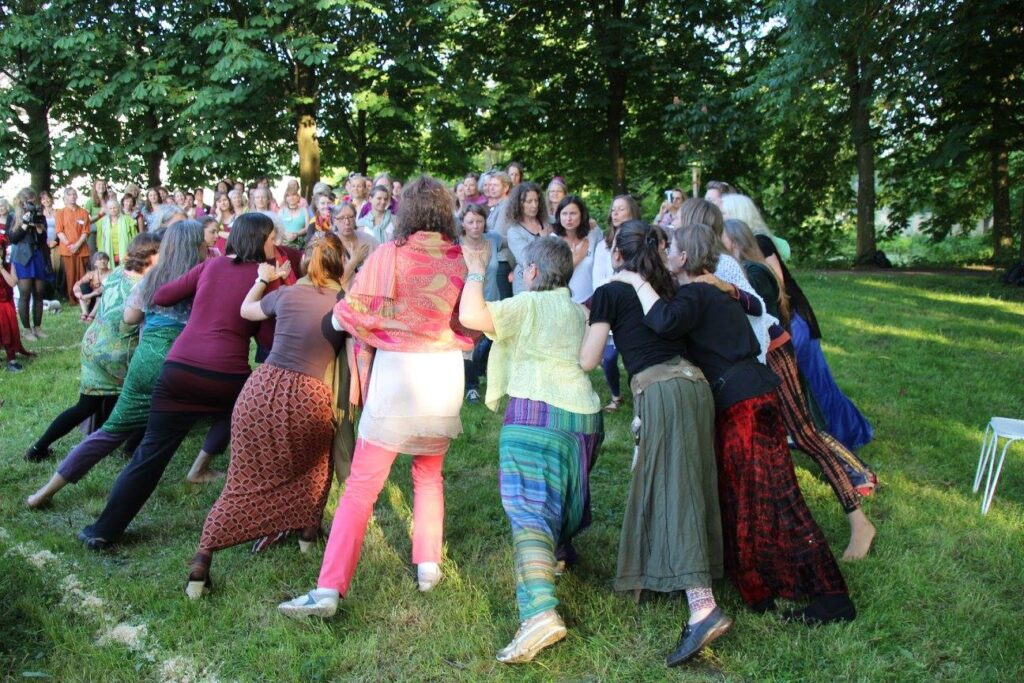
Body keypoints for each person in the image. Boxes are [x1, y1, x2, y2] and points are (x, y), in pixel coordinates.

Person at [618, 223, 857, 625]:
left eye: (670, 248)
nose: (664, 254)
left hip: (743, 404)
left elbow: (662, 321)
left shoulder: (696, 292)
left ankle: (830, 597)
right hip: (754, 394)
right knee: (752, 496)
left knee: (775, 499)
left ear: (685, 258)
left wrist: (633, 279)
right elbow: (747, 304)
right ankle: (758, 585)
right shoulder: (712, 291)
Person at [278, 175, 474, 618]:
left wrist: (387, 325)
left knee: (362, 488)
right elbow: (472, 323)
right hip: (444, 375)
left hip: (398, 375)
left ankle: (328, 589)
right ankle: (428, 567)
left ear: (405, 211)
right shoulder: (462, 260)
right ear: (446, 213)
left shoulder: (389, 255)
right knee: (428, 475)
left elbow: (348, 313)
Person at [76, 214, 282, 550]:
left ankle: (102, 530)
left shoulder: (210, 267)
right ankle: (261, 521)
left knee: (150, 453)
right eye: (273, 238)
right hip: (227, 377)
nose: (276, 244)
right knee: (253, 434)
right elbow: (266, 340)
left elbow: (164, 295)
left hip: (179, 370)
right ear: (258, 240)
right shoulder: (265, 281)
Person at [580, 220, 729, 666]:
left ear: (618, 254)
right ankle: (668, 572)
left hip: (662, 392)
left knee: (674, 488)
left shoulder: (612, 290)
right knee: (685, 481)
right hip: (695, 387)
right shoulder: (667, 288)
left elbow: (589, 359)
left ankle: (702, 606)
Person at [458, 235, 603, 663]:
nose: (516, 274)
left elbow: (470, 314)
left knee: (528, 510)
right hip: (584, 418)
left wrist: (475, 270)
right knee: (558, 495)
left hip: (535, 417)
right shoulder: (578, 310)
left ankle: (540, 613)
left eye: (520, 269)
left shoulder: (527, 303)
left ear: (534, 273)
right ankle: (558, 555)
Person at [186, 234, 352, 599]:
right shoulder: (344, 302)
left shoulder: (287, 294)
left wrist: (264, 278)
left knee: (242, 478)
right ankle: (308, 535)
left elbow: (247, 310)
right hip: (308, 394)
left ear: (307, 261)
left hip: (260, 389)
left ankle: (202, 560)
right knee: (316, 467)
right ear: (341, 264)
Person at [25, 222, 221, 508]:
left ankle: (42, 493)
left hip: (143, 362)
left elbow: (130, 318)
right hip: (178, 364)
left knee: (108, 433)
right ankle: (199, 469)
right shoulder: (201, 279)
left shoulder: (152, 278)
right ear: (196, 247)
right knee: (223, 410)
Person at [716, 218, 876, 559]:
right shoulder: (737, 270)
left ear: (736, 242)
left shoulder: (753, 272)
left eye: (723, 237)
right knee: (791, 438)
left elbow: (761, 321)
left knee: (806, 435)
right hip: (760, 361)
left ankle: (860, 512)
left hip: (774, 359)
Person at [721, 193, 873, 457]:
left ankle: (846, 438)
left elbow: (775, 285)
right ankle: (844, 434)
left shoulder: (759, 241)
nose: (719, 217)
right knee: (812, 386)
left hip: (792, 322)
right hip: (785, 323)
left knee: (814, 386)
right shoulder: (748, 243)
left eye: (723, 211)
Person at [23, 233, 161, 463]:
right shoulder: (147, 285)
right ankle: (127, 449)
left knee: (85, 405)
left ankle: (38, 448)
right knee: (147, 401)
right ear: (150, 255)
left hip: (93, 343)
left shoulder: (118, 272)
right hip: (117, 352)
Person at [592, 194, 642, 413]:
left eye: (621, 209)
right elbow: (598, 277)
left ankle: (640, 393)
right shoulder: (605, 244)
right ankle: (616, 395)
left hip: (634, 305)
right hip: (612, 302)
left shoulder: (641, 239)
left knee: (635, 355)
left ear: (632, 213)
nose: (615, 213)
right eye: (613, 209)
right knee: (609, 357)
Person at [458, 204, 503, 403]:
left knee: (488, 342)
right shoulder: (456, 245)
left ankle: (483, 375)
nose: (475, 226)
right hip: (467, 304)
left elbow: (517, 247)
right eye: (470, 222)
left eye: (479, 221)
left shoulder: (493, 239)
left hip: (492, 301)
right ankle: (472, 387)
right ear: (463, 224)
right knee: (468, 346)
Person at [9, 188, 51, 341]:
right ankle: (26, 330)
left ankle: (38, 327)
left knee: (39, 292)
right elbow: (13, 238)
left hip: (38, 254)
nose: (32, 204)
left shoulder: (40, 215)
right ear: (23, 202)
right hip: (22, 256)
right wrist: (25, 223)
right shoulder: (14, 216)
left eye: (34, 201)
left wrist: (40, 228)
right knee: (25, 293)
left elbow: (43, 239)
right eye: (29, 201)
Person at [551, 195, 601, 306]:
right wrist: (576, 258)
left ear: (582, 215)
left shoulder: (594, 234)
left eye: (573, 213)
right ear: (559, 215)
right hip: (562, 302)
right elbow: (551, 276)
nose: (568, 218)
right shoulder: (552, 240)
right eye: (564, 214)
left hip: (590, 299)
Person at [0, 231, 34, 372]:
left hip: (6, 304)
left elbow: (13, 283)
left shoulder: (10, 266)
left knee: (9, 331)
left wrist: (1, 269)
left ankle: (11, 359)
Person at [506, 182, 548, 295]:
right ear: (519, 204)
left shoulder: (548, 222)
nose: (534, 205)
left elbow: (567, 220)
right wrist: (545, 241)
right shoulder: (514, 231)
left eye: (536, 200)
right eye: (529, 201)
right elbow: (527, 259)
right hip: (524, 285)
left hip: (549, 283)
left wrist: (588, 222)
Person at [55, 187, 92, 306]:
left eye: (74, 194)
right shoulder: (60, 213)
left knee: (82, 275)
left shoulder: (83, 212)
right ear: (65, 197)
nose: (72, 196)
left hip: (81, 248)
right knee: (70, 275)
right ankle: (72, 298)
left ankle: (83, 297)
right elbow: (59, 231)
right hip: (67, 249)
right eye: (69, 194)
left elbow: (85, 231)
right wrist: (70, 245)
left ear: (77, 196)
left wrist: (77, 245)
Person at [332, 202, 376, 283]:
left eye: (350, 217)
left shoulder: (369, 240)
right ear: (334, 221)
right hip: (342, 294)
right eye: (341, 218)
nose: (347, 222)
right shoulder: (330, 244)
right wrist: (354, 261)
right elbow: (334, 282)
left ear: (355, 218)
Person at [96, 198, 138, 266]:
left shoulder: (128, 220)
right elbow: (99, 240)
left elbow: (135, 237)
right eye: (110, 208)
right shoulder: (102, 222)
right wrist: (102, 254)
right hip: (108, 253)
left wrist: (132, 252)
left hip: (125, 252)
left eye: (115, 208)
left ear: (119, 208)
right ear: (108, 210)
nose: (113, 210)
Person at [72, 252, 113, 321]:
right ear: (95, 263)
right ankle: (85, 313)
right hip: (92, 301)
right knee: (83, 286)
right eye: (100, 259)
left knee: (101, 294)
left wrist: (88, 296)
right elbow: (77, 284)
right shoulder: (91, 274)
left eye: (105, 259)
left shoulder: (112, 273)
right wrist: (79, 295)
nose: (103, 261)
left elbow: (101, 289)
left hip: (106, 302)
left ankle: (92, 315)